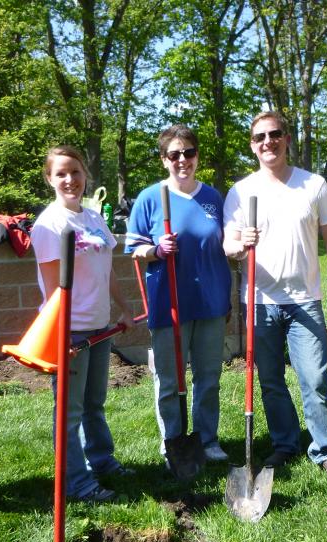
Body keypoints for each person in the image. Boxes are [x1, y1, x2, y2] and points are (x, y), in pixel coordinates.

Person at [223, 111, 327, 478]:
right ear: (252, 144)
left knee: (314, 377)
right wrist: (238, 244)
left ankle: (326, 449)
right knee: (271, 381)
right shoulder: (242, 191)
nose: (268, 141)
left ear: (287, 138)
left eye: (275, 134)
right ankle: (285, 443)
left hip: (304, 300)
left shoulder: (313, 185)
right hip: (259, 301)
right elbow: (226, 242)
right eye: (260, 136)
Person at [31, 145, 135, 502]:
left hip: (100, 324)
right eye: (60, 173)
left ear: (85, 175)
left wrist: (123, 307)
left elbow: (106, 270)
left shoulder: (93, 218)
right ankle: (77, 482)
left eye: (75, 171)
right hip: (71, 329)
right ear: (49, 179)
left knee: (94, 402)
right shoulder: (50, 224)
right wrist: (61, 334)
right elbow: (52, 288)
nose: (69, 179)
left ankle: (102, 461)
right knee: (70, 410)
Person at [126, 124, 232, 463]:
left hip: (211, 301)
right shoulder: (150, 198)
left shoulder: (213, 197)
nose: (182, 159)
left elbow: (223, 244)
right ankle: (172, 441)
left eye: (189, 152)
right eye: (174, 154)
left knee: (208, 377)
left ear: (197, 156)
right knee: (169, 380)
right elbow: (135, 250)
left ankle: (206, 439)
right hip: (169, 304)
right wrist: (156, 250)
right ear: (164, 160)